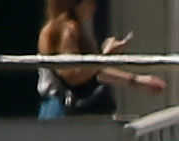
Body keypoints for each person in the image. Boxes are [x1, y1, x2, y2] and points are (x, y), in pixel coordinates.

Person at [32, 0, 164, 115]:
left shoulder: (75, 29)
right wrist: (105, 56)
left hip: (67, 110)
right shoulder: (65, 30)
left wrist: (136, 80)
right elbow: (72, 75)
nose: (94, 7)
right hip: (63, 110)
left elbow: (94, 72)